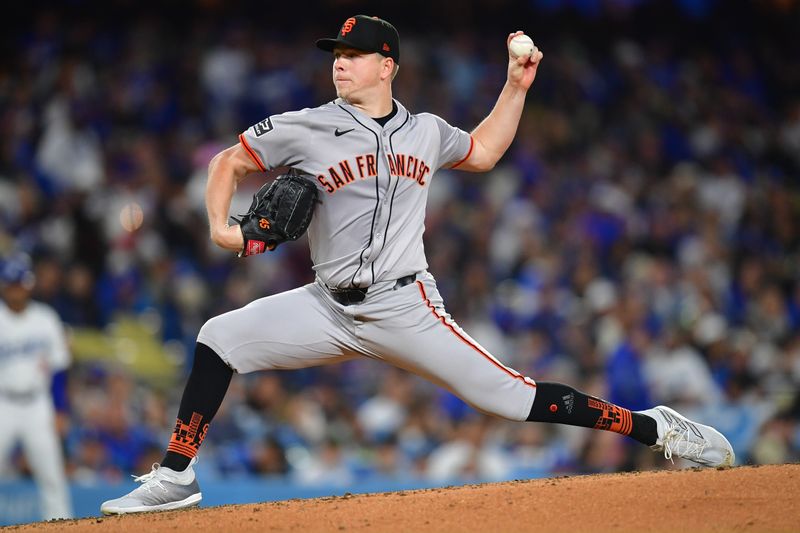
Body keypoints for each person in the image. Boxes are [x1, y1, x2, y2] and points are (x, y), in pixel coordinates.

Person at [101, 15, 734, 514]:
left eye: (352, 55)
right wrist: (220, 226)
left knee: (513, 400)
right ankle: (176, 475)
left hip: (405, 306)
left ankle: (657, 429)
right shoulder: (304, 126)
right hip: (326, 304)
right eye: (336, 55)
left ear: (387, 66)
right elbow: (227, 163)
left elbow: (484, 151)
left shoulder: (426, 131)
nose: (340, 64)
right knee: (218, 337)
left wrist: (514, 86)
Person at [0, 253, 73, 520]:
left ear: (28, 285)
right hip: (3, 404)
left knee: (51, 474)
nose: (17, 289)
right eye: (12, 284)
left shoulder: (45, 318)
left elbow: (58, 369)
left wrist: (60, 408)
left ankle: (61, 524)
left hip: (37, 405)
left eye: (21, 283)